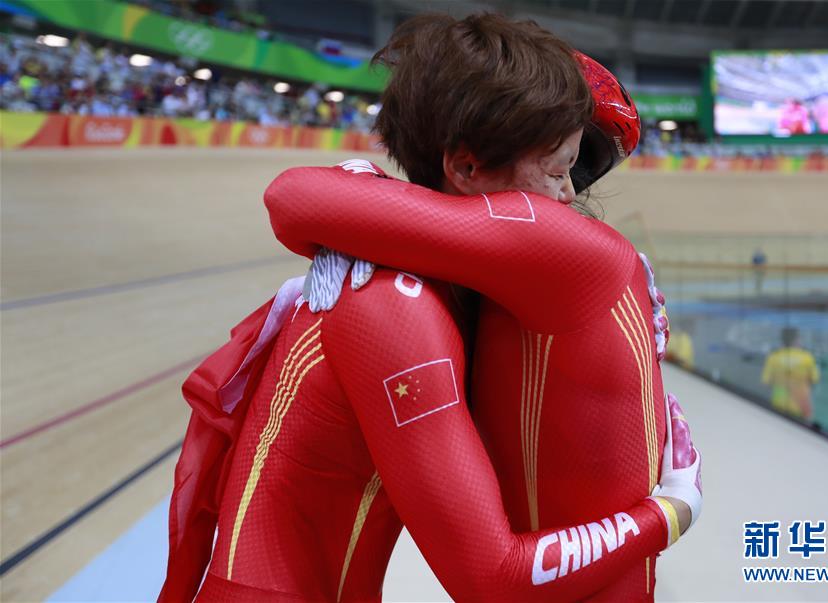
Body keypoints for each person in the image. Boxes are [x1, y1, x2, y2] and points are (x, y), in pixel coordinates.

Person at [161, 14, 701, 603]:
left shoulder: (425, 276)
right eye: (558, 169)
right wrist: (671, 509)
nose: (570, 195)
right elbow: (494, 576)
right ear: (465, 168)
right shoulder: (397, 303)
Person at [761, 327, 819, 422]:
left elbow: (766, 381)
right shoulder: (807, 358)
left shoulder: (773, 357)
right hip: (802, 405)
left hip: (779, 403)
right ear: (796, 340)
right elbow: (814, 380)